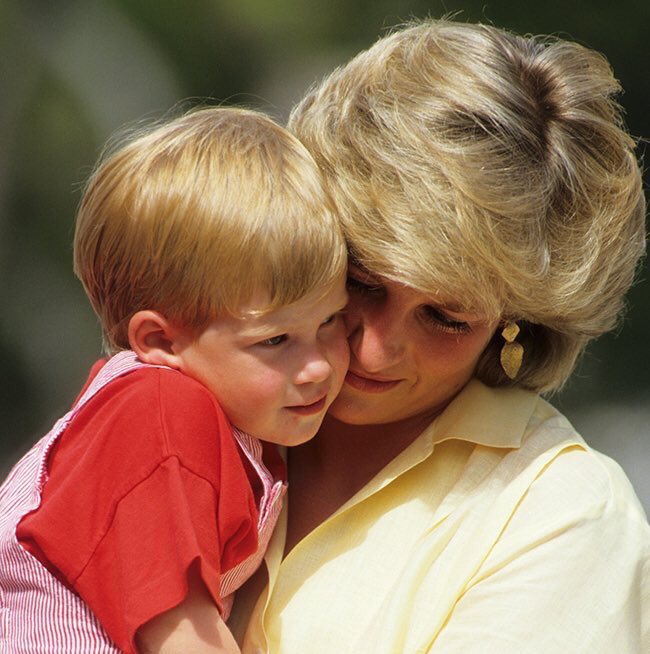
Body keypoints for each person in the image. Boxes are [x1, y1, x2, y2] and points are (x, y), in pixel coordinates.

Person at [229, 18, 649, 653]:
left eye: (446, 318)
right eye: (361, 279)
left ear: (519, 321)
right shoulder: (189, 389)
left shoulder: (562, 515)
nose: (374, 347)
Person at [0, 107, 350, 653]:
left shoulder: (220, 414)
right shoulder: (157, 415)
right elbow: (180, 633)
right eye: (276, 341)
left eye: (331, 321)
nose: (320, 366)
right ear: (161, 343)